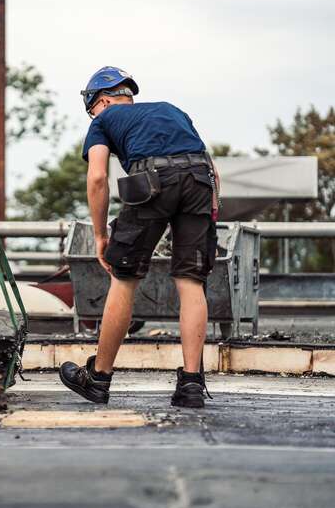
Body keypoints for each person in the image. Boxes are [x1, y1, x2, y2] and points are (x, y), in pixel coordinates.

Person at [59, 66, 220, 408]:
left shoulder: (102, 121)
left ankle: (98, 379)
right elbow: (212, 170)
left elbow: (98, 178)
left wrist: (101, 235)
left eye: (91, 111)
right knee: (191, 280)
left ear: (100, 102)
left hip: (153, 179)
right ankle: (191, 384)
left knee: (124, 277)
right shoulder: (172, 111)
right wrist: (211, 213)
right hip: (199, 179)